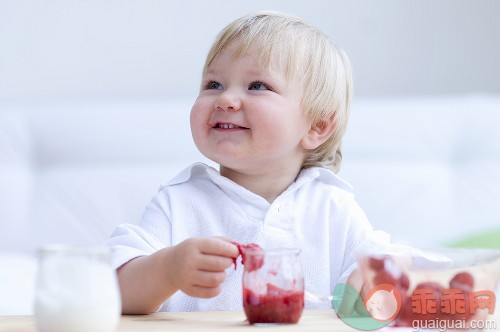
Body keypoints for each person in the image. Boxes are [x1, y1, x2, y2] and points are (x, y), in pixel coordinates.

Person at [105, 11, 389, 314]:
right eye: (213, 84)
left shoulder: (335, 209)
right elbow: (109, 291)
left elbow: (387, 273)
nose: (225, 98)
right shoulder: (179, 202)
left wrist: (380, 277)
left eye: (257, 86)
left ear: (316, 126)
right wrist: (167, 270)